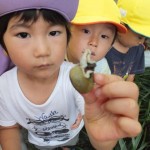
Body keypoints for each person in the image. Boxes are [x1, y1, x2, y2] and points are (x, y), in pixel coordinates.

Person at [0, 1, 141, 150]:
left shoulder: (74, 78)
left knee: (69, 143)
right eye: (23, 34)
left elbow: (90, 112)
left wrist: (104, 135)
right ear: (4, 47)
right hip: (39, 141)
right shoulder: (3, 88)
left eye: (53, 33)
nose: (42, 50)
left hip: (70, 133)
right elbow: (7, 127)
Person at [66, 0, 127, 75]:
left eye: (104, 36)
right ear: (67, 31)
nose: (94, 42)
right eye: (86, 31)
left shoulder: (102, 69)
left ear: (110, 46)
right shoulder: (53, 59)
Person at [106, 0, 150, 81]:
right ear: (121, 28)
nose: (142, 42)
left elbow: (131, 76)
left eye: (145, 38)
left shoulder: (138, 49)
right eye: (140, 37)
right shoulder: (104, 47)